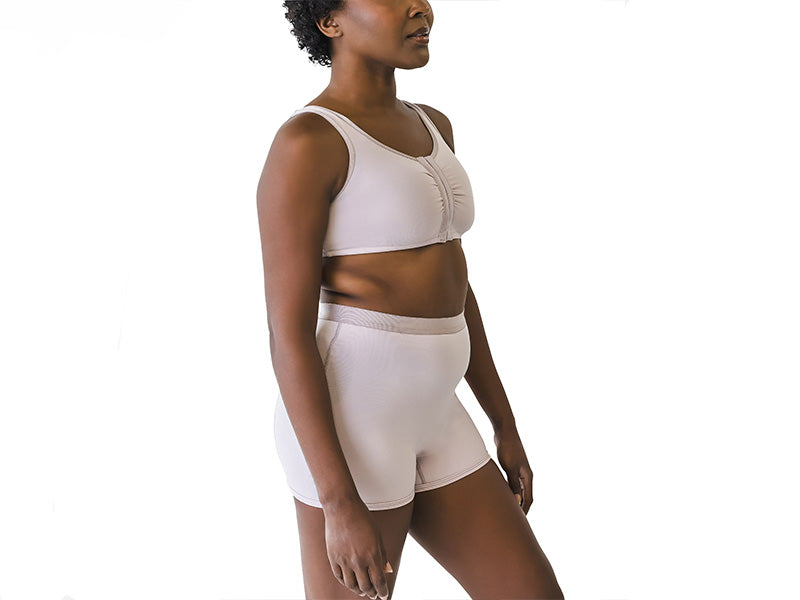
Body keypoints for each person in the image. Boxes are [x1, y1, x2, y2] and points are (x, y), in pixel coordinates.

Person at [257, 1, 564, 598]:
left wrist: (503, 421)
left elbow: (455, 286)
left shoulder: (434, 125)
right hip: (353, 427)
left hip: (437, 412)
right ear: (329, 21)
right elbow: (286, 331)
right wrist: (337, 500)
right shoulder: (308, 142)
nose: (420, 7)